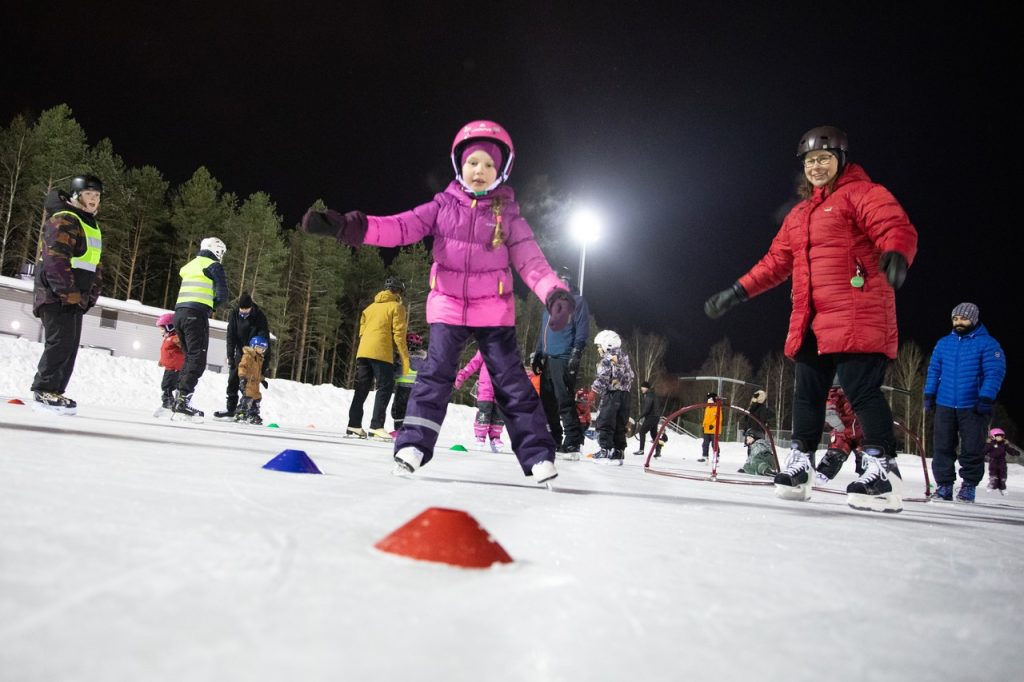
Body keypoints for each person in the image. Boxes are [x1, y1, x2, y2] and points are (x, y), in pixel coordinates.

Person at [301, 120, 574, 485]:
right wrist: (351, 227)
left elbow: (532, 262)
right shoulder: (442, 207)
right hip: (447, 306)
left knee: (512, 381)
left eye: (489, 165)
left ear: (502, 170)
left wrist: (554, 293)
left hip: (494, 312)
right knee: (435, 375)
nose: (479, 171)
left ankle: (538, 455)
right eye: (473, 162)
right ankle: (413, 445)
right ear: (459, 165)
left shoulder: (508, 216)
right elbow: (399, 227)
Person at [704, 125, 918, 513]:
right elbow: (774, 263)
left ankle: (882, 470)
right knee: (807, 393)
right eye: (809, 160)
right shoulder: (801, 215)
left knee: (861, 391)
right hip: (811, 317)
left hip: (858, 310)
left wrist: (896, 253)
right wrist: (737, 291)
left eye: (824, 158)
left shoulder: (864, 194)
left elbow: (895, 226)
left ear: (841, 159)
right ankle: (801, 466)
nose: (816, 166)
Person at [29, 174, 105, 415]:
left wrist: (90, 294)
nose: (94, 200)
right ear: (76, 196)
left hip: (75, 298)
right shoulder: (65, 219)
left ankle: (55, 391)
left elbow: (94, 264)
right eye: (89, 194)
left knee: (69, 346)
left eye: (97, 195)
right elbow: (55, 259)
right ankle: (43, 390)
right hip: (56, 295)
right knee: (59, 343)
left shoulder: (88, 223)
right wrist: (68, 292)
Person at [923, 302, 1007, 503]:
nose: (959, 322)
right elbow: (934, 371)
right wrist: (929, 395)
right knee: (942, 447)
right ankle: (944, 486)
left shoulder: (988, 344)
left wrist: (986, 397)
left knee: (972, 448)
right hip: (945, 404)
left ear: (974, 319)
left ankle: (968, 486)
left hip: (973, 405)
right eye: (955, 318)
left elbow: (994, 373)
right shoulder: (944, 343)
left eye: (963, 318)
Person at [172, 237, 231, 420]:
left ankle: (178, 399)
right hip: (196, 314)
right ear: (218, 251)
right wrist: (212, 305)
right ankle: (182, 401)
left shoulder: (190, 265)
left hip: (179, 314)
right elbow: (223, 294)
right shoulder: (214, 265)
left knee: (189, 357)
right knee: (197, 359)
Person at [534, 266, 590, 455]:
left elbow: (582, 329)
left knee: (563, 400)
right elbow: (544, 331)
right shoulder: (549, 306)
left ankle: (573, 439)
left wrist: (576, 352)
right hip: (548, 358)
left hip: (564, 357)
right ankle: (554, 437)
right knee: (547, 402)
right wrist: (538, 353)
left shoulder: (577, 302)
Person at [346, 276, 411, 439]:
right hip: (381, 352)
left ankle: (353, 425)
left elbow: (362, 332)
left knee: (362, 388)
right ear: (398, 292)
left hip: (363, 352)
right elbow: (399, 336)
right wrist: (405, 359)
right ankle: (376, 426)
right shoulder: (397, 307)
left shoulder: (369, 308)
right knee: (385, 387)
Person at [216, 291, 272, 419]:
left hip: (254, 352)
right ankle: (231, 408)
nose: (243, 313)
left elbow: (265, 338)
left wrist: (263, 367)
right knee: (233, 379)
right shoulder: (234, 314)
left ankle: (248, 409)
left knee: (250, 382)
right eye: (242, 310)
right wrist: (230, 355)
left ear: (251, 307)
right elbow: (230, 336)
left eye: (246, 310)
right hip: (240, 350)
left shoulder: (259, 316)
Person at [590, 330, 634, 464]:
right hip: (625, 395)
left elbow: (603, 378)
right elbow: (631, 375)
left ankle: (605, 450)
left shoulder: (607, 360)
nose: (598, 349)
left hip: (611, 395)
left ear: (606, 345)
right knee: (620, 423)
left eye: (599, 346)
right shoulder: (624, 357)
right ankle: (618, 452)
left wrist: (594, 389)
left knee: (605, 421)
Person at [455, 348, 505, 452]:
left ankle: (495, 438)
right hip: (485, 388)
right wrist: (462, 375)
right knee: (484, 411)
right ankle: (480, 436)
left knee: (498, 414)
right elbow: (473, 364)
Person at [815, 383, 864, 484]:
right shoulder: (839, 385)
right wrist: (830, 410)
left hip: (863, 428)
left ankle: (871, 479)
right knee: (837, 451)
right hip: (843, 428)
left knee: (867, 454)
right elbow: (831, 395)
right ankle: (822, 475)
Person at [391, 332, 427, 432]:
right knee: (414, 410)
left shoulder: (403, 359)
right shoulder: (424, 361)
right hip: (418, 389)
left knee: (399, 410)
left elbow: (396, 374)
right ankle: (413, 430)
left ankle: (399, 430)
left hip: (403, 388)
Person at [235, 336, 269, 424]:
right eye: (260, 348)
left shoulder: (259, 358)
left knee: (257, 398)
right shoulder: (248, 356)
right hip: (248, 382)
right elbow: (242, 366)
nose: (262, 350)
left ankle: (252, 414)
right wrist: (242, 378)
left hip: (255, 384)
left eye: (263, 349)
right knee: (247, 398)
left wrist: (262, 380)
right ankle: (241, 414)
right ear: (254, 346)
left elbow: (257, 372)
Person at [156, 313, 184, 411]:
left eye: (162, 329)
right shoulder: (167, 338)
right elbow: (167, 352)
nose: (161, 331)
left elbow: (181, 343)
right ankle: (172, 402)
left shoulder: (173, 338)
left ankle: (168, 403)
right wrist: (161, 361)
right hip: (171, 368)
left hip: (174, 368)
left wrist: (180, 341)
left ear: (171, 326)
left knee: (166, 386)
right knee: (169, 385)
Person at [983, 428, 1016, 495]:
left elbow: (1009, 449)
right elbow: (984, 451)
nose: (1000, 437)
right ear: (993, 436)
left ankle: (1003, 487)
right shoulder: (990, 444)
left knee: (1003, 476)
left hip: (1002, 461)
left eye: (1001, 436)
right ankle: (992, 485)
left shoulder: (1004, 444)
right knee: (993, 475)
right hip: (993, 461)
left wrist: (1014, 452)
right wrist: (980, 454)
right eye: (998, 436)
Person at [633, 381, 658, 456]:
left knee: (642, 432)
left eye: (642, 387)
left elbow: (647, 409)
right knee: (654, 435)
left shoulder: (649, 396)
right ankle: (658, 451)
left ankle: (641, 450)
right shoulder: (652, 394)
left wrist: (639, 417)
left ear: (646, 388)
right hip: (655, 417)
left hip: (651, 417)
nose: (641, 389)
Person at [699, 393, 721, 464]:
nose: (709, 401)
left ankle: (716, 457)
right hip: (706, 429)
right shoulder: (707, 408)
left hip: (714, 430)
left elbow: (719, 418)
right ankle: (705, 456)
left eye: (710, 399)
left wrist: (713, 425)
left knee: (714, 444)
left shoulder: (717, 408)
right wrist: (703, 426)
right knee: (705, 444)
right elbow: (705, 418)